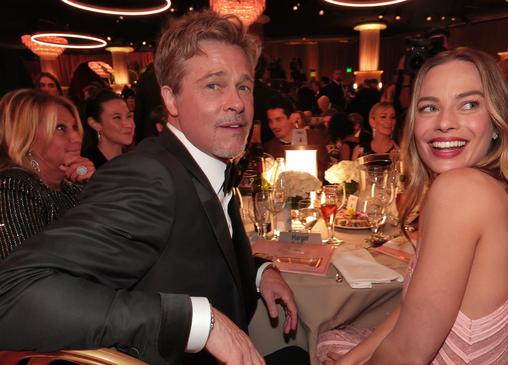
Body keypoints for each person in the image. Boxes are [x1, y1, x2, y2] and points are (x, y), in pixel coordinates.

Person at [0, 10, 306, 365]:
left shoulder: (202, 162)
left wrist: (258, 271)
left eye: (243, 86)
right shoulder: (150, 176)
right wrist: (193, 321)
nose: (237, 103)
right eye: (213, 85)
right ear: (171, 99)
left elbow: (193, 252)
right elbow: (11, 294)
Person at [318, 47, 508, 364]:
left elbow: (407, 354)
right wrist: (351, 361)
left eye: (469, 104)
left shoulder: (460, 190)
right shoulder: (493, 187)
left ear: (498, 120)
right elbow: (414, 310)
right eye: (429, 107)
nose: (445, 123)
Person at [0, 89, 95, 260]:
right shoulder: (14, 187)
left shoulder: (71, 185)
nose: (76, 137)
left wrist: (92, 182)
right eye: (60, 128)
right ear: (26, 137)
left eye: (74, 127)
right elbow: (22, 271)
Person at [263, 95, 329, 180]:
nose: (273, 126)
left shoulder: (313, 139)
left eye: (278, 120)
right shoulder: (269, 147)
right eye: (270, 121)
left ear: (292, 118)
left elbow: (323, 172)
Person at [81, 89, 135, 169]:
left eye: (129, 116)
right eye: (117, 117)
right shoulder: (85, 165)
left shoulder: (135, 159)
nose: (129, 124)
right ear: (95, 124)